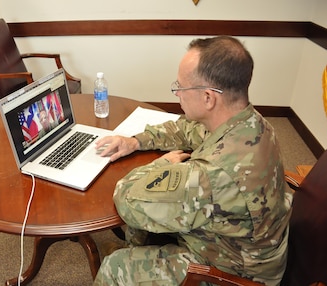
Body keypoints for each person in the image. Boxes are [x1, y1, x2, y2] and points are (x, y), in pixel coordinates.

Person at [93, 36, 293, 286]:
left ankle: (126, 259)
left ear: (209, 97)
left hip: (233, 273)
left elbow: (127, 200)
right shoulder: (250, 122)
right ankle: (133, 248)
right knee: (153, 217)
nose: (177, 93)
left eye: (181, 86)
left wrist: (163, 164)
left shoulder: (213, 175)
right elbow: (188, 130)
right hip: (250, 243)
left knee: (115, 266)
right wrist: (136, 141)